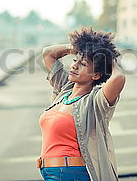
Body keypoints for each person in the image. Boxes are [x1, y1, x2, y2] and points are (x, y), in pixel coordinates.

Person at [38, 27, 126, 181]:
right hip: (50, 172)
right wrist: (80, 49)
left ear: (96, 74)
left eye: (83, 64)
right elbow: (48, 54)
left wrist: (105, 56)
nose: (74, 66)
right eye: (74, 61)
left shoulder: (95, 102)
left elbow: (119, 78)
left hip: (71, 174)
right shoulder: (64, 90)